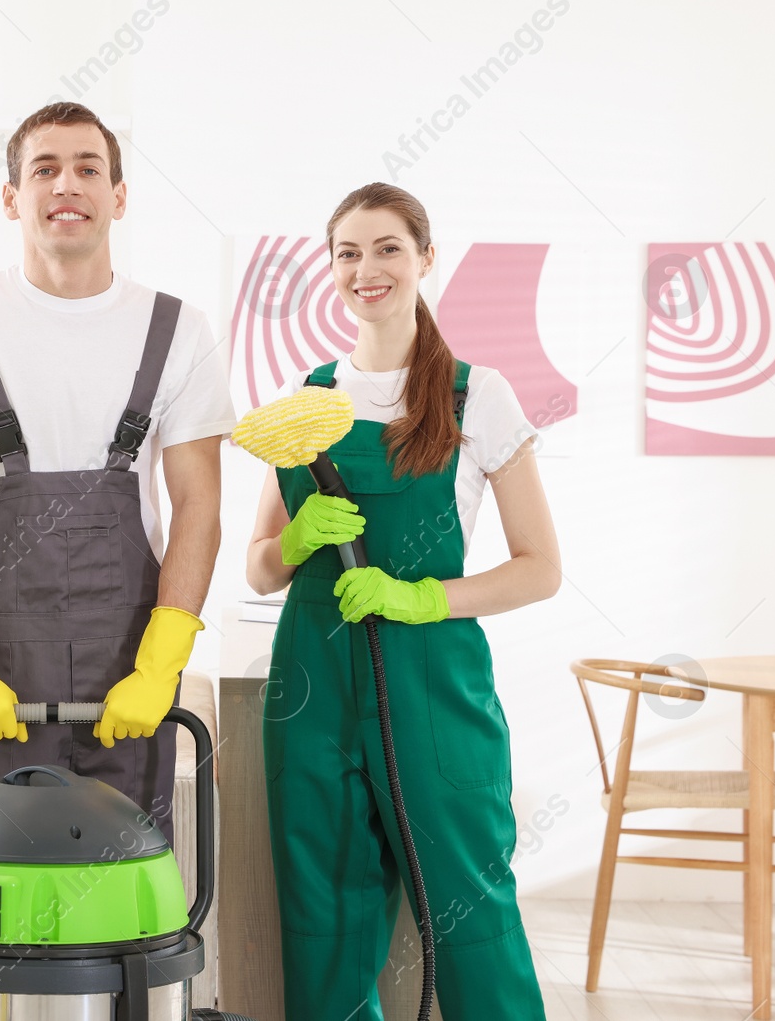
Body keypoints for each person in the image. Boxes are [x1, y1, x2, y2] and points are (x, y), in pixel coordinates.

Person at [245, 182, 560, 1019]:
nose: (366, 268)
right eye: (347, 252)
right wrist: (299, 539)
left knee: (470, 913)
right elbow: (259, 569)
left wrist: (421, 597)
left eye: (386, 248)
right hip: (312, 690)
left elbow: (540, 568)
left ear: (425, 257)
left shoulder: (473, 394)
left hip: (434, 687)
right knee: (324, 918)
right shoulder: (308, 399)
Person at [0, 102, 235, 842]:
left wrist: (161, 665)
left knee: (121, 901)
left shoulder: (178, 330)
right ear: (12, 197)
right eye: (44, 168)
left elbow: (199, 506)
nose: (66, 184)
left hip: (127, 669)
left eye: (88, 167)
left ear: (119, 195)